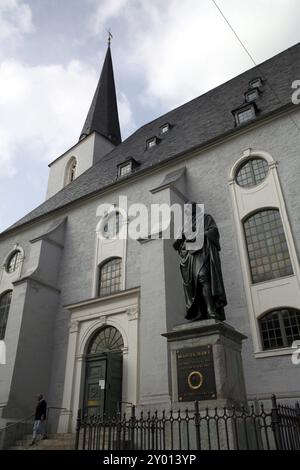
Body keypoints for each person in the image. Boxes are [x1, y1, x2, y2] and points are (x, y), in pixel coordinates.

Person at [173, 202, 227, 321]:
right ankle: (200, 312)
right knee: (194, 286)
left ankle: (210, 310)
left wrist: (198, 235)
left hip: (202, 252)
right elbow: (176, 245)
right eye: (185, 209)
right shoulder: (184, 225)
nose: (187, 210)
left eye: (189, 208)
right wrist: (181, 237)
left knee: (203, 277)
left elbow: (214, 231)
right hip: (189, 257)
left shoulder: (206, 218)